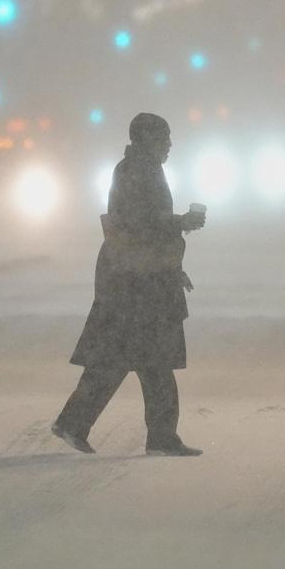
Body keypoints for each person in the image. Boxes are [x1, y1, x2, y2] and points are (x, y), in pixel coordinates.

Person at [51, 112, 206, 456]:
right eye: (163, 137)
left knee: (119, 360)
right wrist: (182, 222)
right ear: (145, 140)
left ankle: (75, 423)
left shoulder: (135, 168)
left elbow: (142, 226)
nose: (169, 144)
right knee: (151, 362)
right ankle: (160, 437)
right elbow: (142, 224)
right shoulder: (139, 171)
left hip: (133, 280)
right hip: (138, 285)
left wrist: (173, 259)